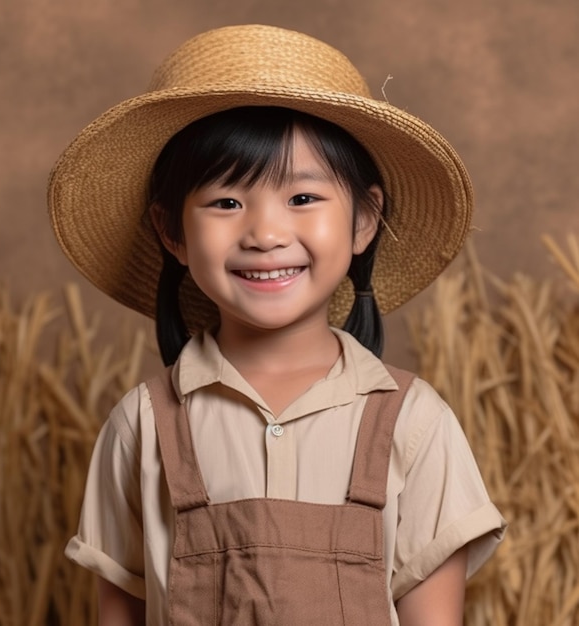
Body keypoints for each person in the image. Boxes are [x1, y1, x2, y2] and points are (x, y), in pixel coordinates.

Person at [49, 24, 506, 625]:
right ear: (171, 232)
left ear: (364, 221)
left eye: (302, 199)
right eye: (226, 202)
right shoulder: (142, 426)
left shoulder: (414, 425)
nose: (265, 234)